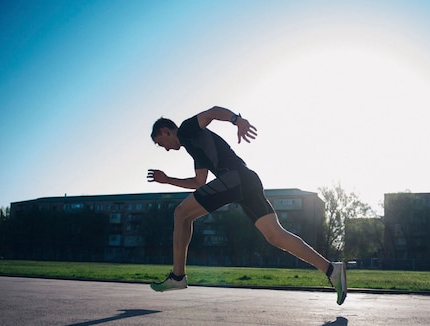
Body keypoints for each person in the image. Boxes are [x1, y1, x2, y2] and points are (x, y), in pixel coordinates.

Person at [147, 106, 347, 305]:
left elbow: (212, 112)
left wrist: (237, 120)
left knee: (181, 213)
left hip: (235, 179)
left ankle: (178, 276)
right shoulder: (194, 145)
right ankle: (332, 269)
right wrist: (167, 180)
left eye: (160, 142)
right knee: (276, 236)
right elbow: (199, 182)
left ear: (166, 131)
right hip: (247, 180)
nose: (164, 148)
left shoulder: (186, 129)